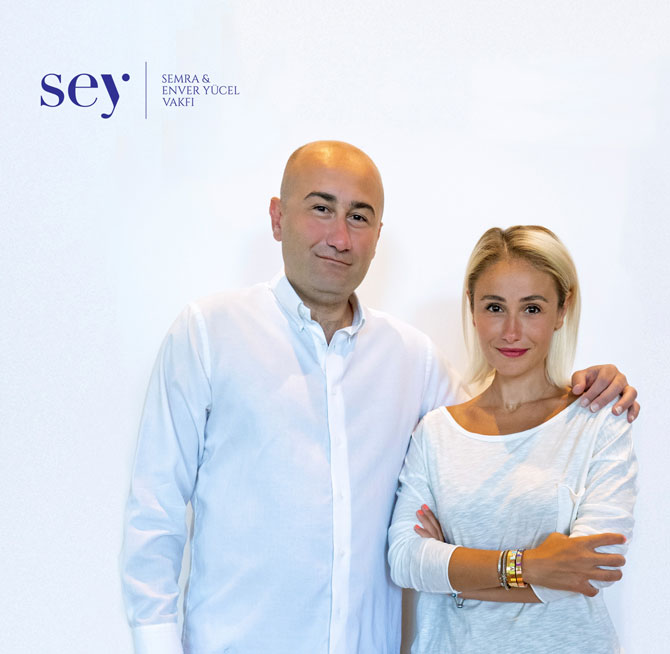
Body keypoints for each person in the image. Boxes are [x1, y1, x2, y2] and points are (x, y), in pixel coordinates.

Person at [121, 142, 638, 654]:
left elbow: (508, 423)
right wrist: (156, 644)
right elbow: (155, 505)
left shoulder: (413, 357)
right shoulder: (209, 333)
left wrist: (590, 386)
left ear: (377, 236)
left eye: (359, 217)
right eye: (321, 208)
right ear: (277, 218)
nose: (339, 237)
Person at [388, 225, 638, 653]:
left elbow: (590, 571)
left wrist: (454, 575)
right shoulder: (436, 433)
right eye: (494, 307)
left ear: (562, 310)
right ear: (472, 308)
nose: (511, 331)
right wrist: (531, 565)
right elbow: (406, 560)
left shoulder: (599, 421)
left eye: (532, 309)